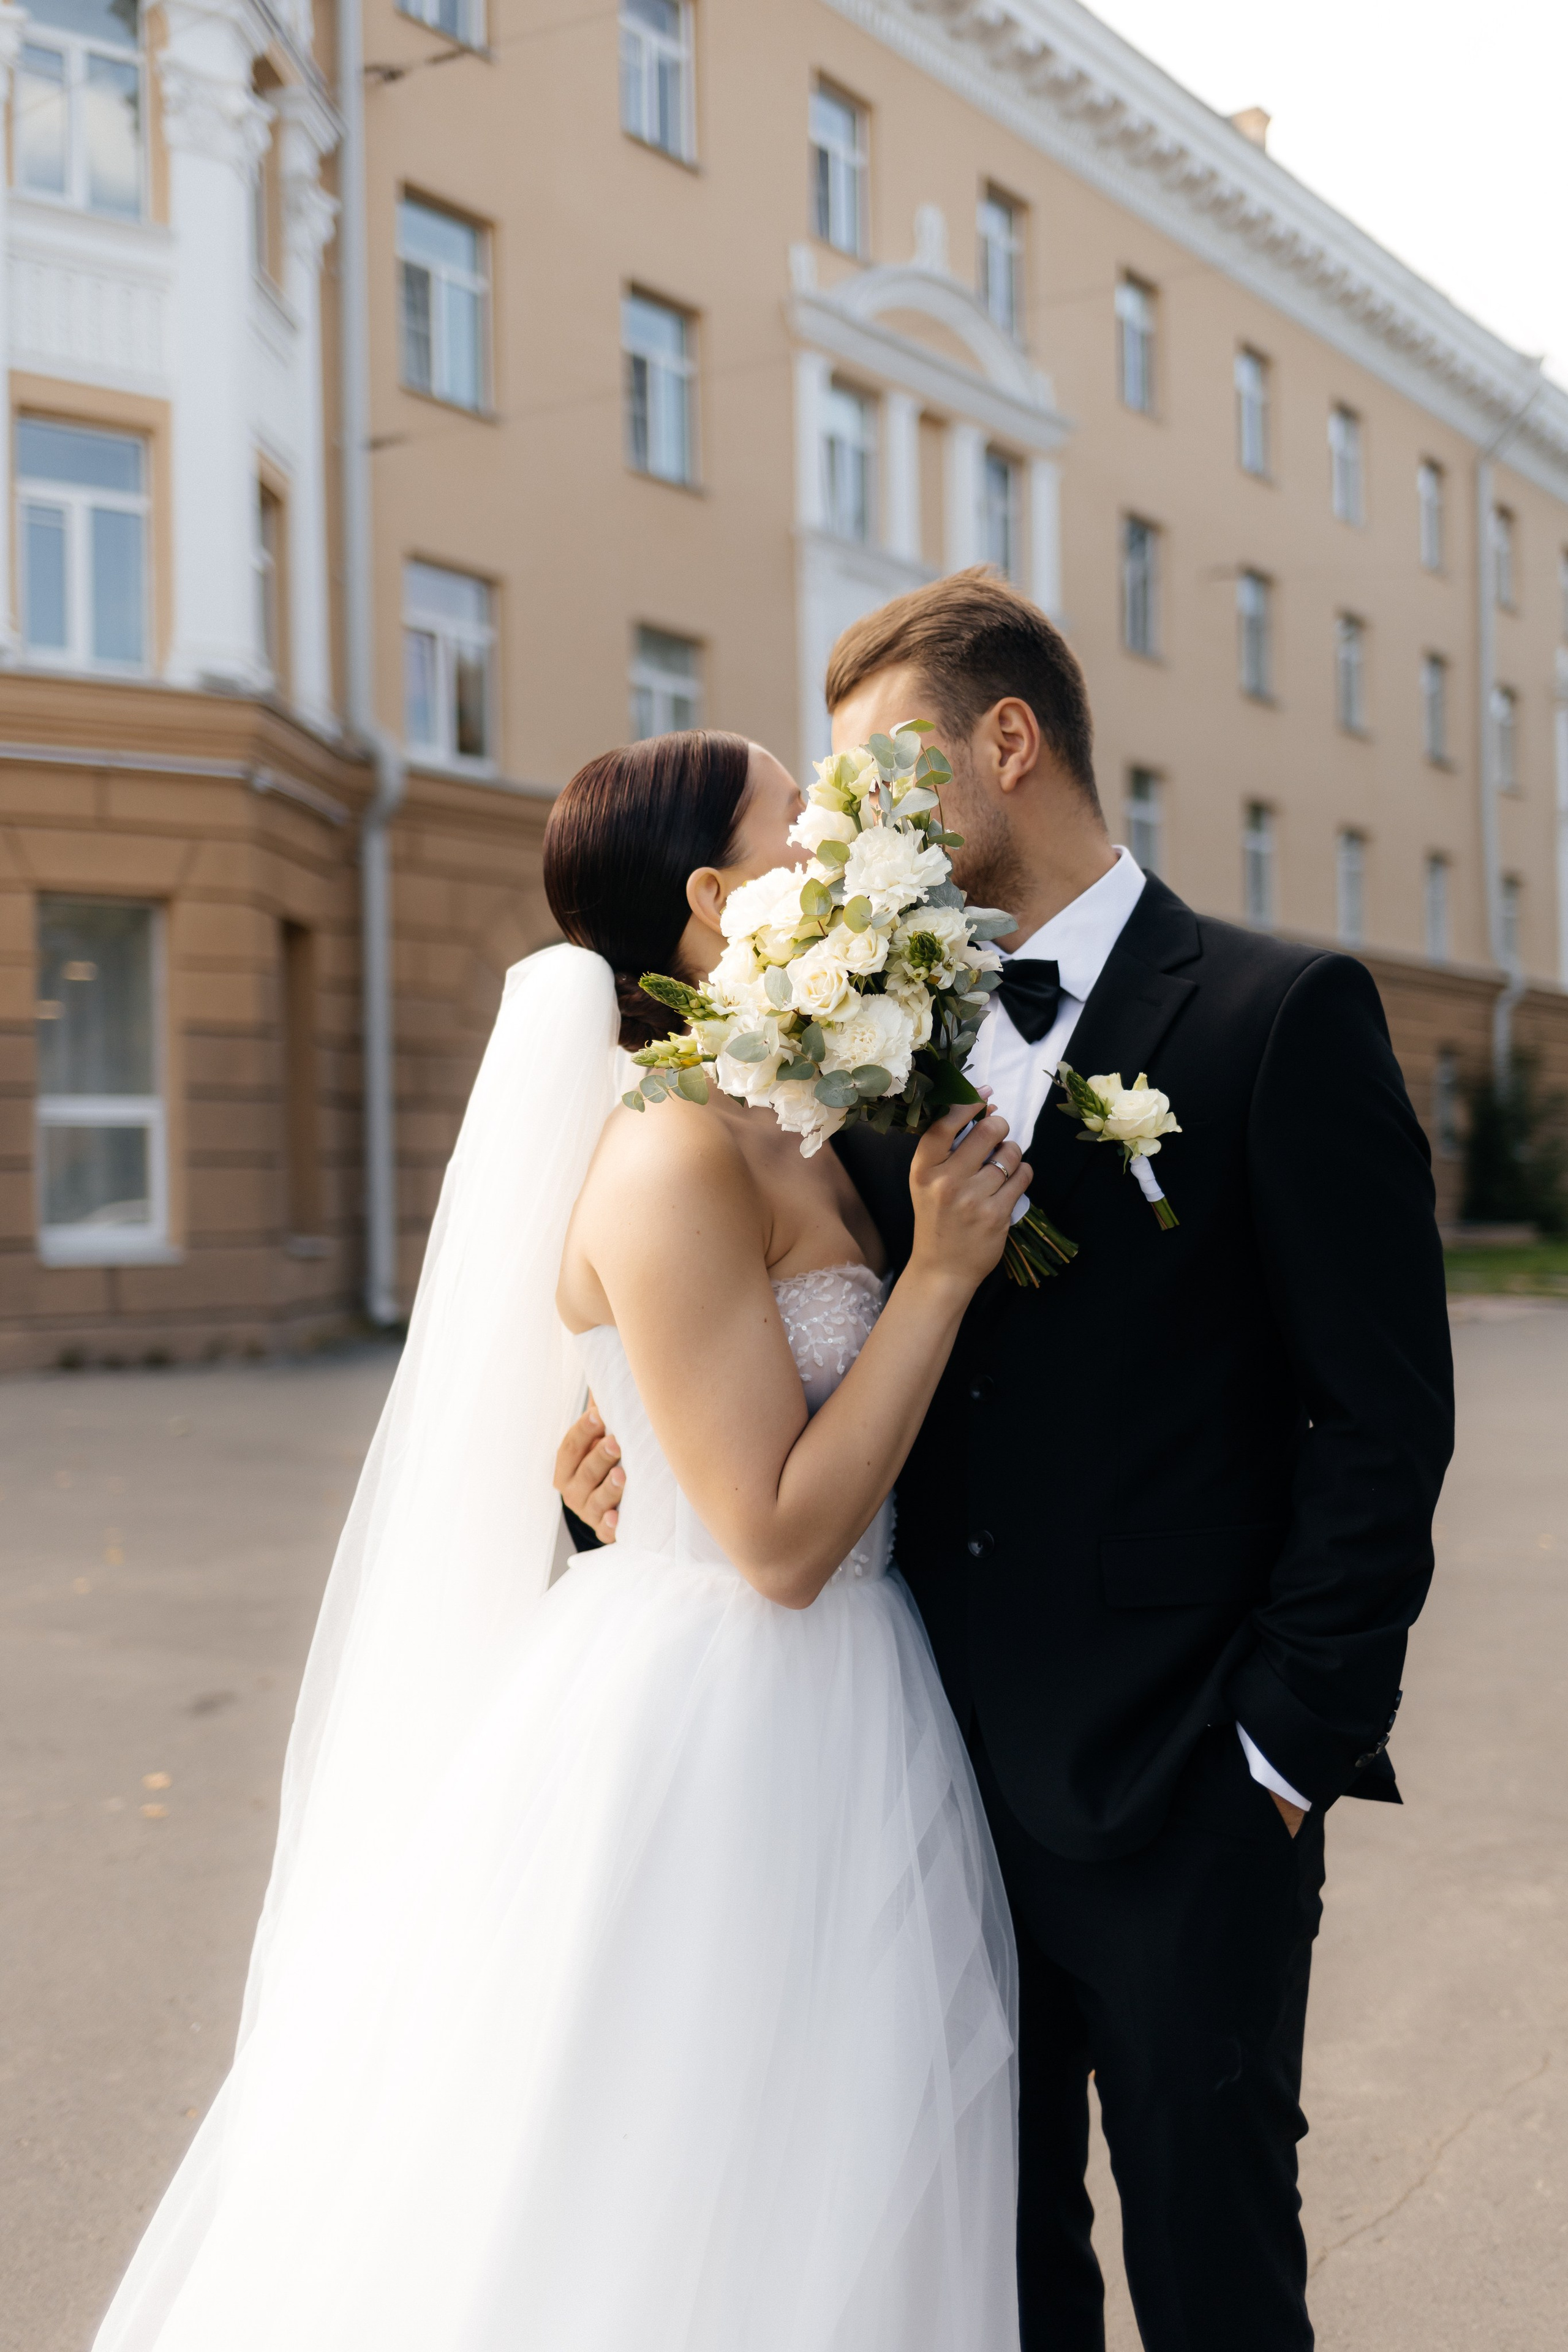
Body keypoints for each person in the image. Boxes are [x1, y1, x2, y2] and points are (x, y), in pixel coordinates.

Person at [559, 572, 1456, 2350]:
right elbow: (759, 1365)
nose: (843, 832)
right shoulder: (878, 1052)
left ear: (1009, 744)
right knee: (988, 2276)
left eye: (879, 778)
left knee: (1216, 2275)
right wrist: (611, 1484)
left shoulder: (1280, 1018)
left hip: (1188, 1795)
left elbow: (1382, 1425)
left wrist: (1284, 1753)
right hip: (914, 1792)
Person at [91, 728, 1030, 2352]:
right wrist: (938, 1275)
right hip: (730, 1715)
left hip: (850, 1698)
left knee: (833, 2189)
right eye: (797, 822)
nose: (831, 838)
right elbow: (780, 1543)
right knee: (679, 2189)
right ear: (716, 897)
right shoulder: (668, 1155)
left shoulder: (787, 1119)